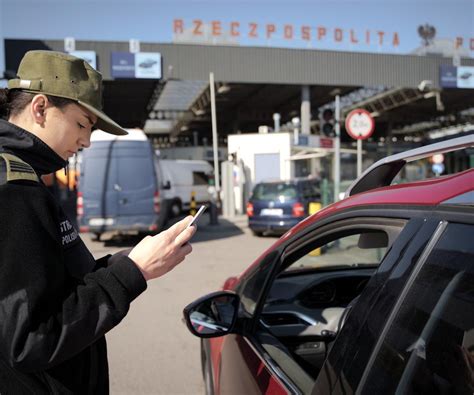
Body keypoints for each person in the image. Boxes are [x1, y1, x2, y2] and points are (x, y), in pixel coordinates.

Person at [0, 50, 196, 393]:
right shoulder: (14, 191)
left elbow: (51, 286)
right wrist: (132, 272)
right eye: (81, 124)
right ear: (40, 108)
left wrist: (128, 261)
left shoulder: (26, 178)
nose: (87, 142)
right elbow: (31, 339)